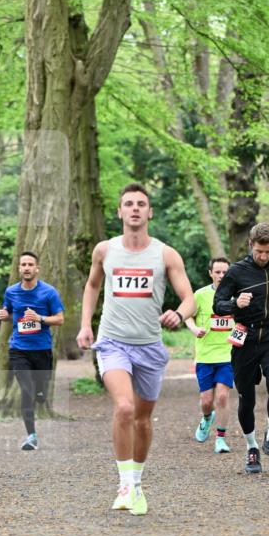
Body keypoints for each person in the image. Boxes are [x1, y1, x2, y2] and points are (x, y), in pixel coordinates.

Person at [76, 183, 195, 515]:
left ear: (149, 212)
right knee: (125, 408)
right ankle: (124, 484)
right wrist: (86, 324)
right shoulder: (105, 250)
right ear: (120, 211)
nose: (134, 209)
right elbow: (93, 285)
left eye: (141, 204)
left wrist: (178, 314)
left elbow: (188, 299)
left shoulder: (165, 254)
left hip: (149, 348)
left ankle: (137, 485)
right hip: (113, 343)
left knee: (142, 419)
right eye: (128, 203)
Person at [213, 222, 269, 475]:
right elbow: (218, 304)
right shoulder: (237, 272)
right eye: (259, 251)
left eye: (267, 252)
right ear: (251, 245)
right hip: (245, 337)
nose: (263, 257)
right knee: (246, 397)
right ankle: (252, 448)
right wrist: (235, 302)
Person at [0, 251, 64, 451]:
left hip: (42, 349)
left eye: (30, 264)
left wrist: (40, 318)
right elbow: (9, 312)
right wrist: (4, 314)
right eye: (23, 264)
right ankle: (31, 436)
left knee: (40, 392)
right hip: (19, 349)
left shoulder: (49, 292)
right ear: (19, 268)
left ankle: (42, 393)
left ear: (37, 269)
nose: (26, 267)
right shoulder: (11, 291)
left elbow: (59, 319)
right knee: (27, 390)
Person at [184, 257, 234, 454]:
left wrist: (237, 341)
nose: (221, 276)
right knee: (206, 401)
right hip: (205, 356)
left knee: (222, 397)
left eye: (225, 272)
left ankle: (220, 439)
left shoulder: (236, 295)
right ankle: (206, 418)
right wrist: (195, 329)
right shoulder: (200, 295)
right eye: (218, 272)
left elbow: (243, 323)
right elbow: (187, 315)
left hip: (227, 355)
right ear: (211, 273)